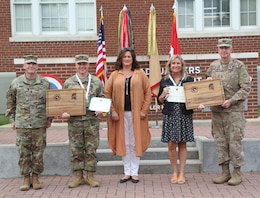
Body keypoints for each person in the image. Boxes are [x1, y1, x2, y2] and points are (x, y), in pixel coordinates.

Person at [204, 38, 251, 186]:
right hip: (217, 112)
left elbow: (246, 88)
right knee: (220, 142)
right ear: (217, 50)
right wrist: (209, 80)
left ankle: (237, 172)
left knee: (234, 141)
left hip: (234, 112)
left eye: (226, 48)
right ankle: (225, 172)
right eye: (221, 48)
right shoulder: (213, 66)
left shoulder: (239, 66)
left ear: (231, 49)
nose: (224, 51)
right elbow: (207, 83)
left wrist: (231, 100)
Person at [6, 55, 53, 191]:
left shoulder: (45, 83)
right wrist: (12, 120)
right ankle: (26, 177)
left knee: (38, 152)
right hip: (22, 124)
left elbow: (51, 103)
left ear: (37, 66)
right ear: (24, 66)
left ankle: (36, 177)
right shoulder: (16, 83)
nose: (31, 66)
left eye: (34, 64)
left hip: (39, 124)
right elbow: (10, 102)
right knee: (23, 152)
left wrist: (49, 119)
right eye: (28, 64)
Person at [105, 48, 151, 184]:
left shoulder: (140, 74)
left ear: (133, 59)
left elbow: (148, 92)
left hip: (137, 115)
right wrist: (112, 110)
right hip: (119, 115)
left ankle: (135, 172)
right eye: (124, 57)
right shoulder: (114, 75)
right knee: (124, 142)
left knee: (135, 142)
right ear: (120, 59)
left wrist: (144, 110)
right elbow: (107, 93)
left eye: (129, 57)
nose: (126, 59)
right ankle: (127, 172)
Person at [61, 54, 105, 188]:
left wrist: (101, 108)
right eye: (79, 64)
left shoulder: (96, 81)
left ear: (88, 65)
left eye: (84, 64)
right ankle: (78, 176)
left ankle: (90, 176)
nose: (82, 66)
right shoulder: (69, 82)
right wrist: (64, 112)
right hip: (75, 122)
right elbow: (63, 101)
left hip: (91, 121)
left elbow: (102, 97)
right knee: (76, 150)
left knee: (91, 149)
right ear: (75, 65)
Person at [157, 55, 195, 185]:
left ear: (182, 65)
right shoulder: (165, 81)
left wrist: (199, 104)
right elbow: (159, 100)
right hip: (170, 114)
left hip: (184, 114)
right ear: (170, 66)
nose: (176, 66)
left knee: (183, 143)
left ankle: (182, 172)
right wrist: (163, 94)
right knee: (171, 144)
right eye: (173, 64)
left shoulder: (189, 80)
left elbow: (194, 97)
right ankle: (174, 171)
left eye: (178, 63)